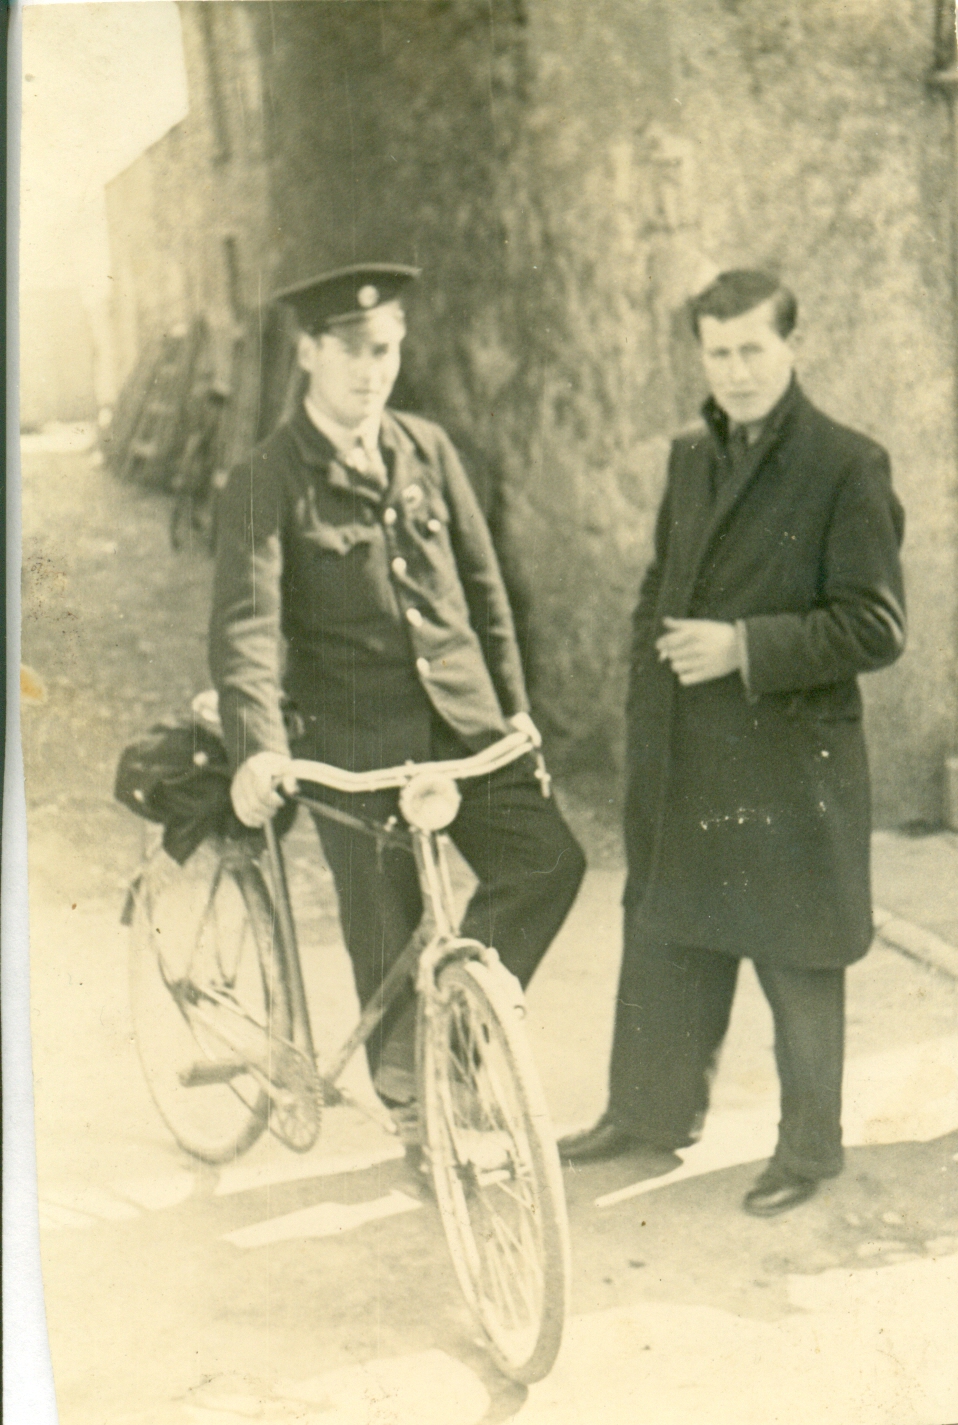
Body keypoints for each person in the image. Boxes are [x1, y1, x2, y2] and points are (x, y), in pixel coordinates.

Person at [209, 262, 585, 1139]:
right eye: (351, 351)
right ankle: (418, 1111)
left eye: (385, 350)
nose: (371, 370)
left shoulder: (427, 448)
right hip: (356, 745)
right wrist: (258, 748)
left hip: (464, 727)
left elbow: (486, 590)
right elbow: (246, 631)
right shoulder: (265, 480)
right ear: (308, 353)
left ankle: (452, 1031)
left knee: (548, 862)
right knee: (389, 929)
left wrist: (515, 713)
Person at [559, 270, 906, 1216]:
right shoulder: (690, 456)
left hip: (791, 760)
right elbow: (659, 586)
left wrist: (744, 646)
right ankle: (648, 1115)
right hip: (689, 749)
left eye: (754, 348)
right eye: (719, 353)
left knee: (798, 957)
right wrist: (647, 696)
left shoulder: (847, 463)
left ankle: (809, 1149)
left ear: (793, 345)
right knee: (670, 933)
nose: (737, 371)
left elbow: (876, 625)